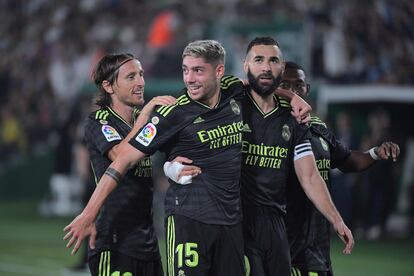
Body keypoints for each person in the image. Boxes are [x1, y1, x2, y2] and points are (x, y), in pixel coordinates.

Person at [63, 40, 311, 276]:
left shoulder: (232, 91)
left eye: (198, 71)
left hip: (231, 225)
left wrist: (293, 97)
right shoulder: (173, 113)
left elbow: (258, 85)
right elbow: (122, 160)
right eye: (185, 70)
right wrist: (88, 214)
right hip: (189, 222)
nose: (190, 79)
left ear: (219, 72)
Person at [164, 37, 354, 276]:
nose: (265, 67)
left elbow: (309, 176)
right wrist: (169, 166)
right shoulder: (228, 103)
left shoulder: (292, 118)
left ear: (281, 68)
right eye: (258, 60)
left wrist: (336, 219)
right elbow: (188, 127)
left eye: (273, 60)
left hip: (275, 223)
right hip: (235, 219)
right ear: (246, 65)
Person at [280, 61, 400, 276]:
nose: (292, 91)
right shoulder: (267, 128)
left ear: (307, 89)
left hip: (317, 242)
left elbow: (346, 160)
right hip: (283, 242)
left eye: (298, 85)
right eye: (285, 85)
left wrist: (375, 152)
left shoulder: (318, 127)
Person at [69, 53, 180, 276]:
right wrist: (146, 116)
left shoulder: (144, 118)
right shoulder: (99, 120)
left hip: (147, 242)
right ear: (109, 86)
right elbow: (121, 155)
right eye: (131, 77)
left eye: (141, 75)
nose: (140, 82)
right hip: (113, 241)